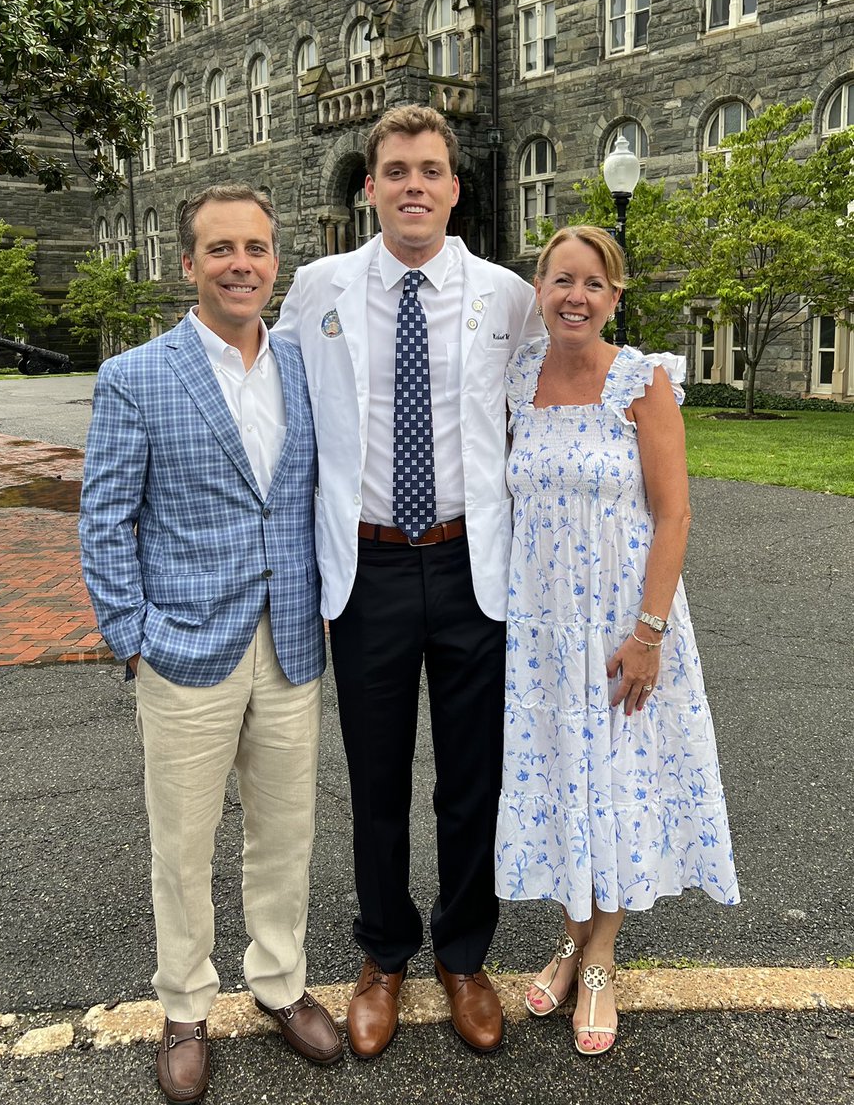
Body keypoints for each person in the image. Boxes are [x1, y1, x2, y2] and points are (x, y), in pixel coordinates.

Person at [273, 104, 543, 1057]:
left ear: (455, 187)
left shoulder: (508, 296)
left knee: (474, 779)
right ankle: (383, 953)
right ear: (373, 184)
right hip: (370, 564)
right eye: (396, 170)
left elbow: (551, 412)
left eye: (431, 169)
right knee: (377, 779)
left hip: (476, 566)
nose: (414, 185)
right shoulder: (318, 290)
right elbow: (280, 413)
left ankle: (463, 956)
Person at [79, 185, 342, 1104]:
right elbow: (105, 517)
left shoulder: (308, 366)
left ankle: (278, 982)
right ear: (188, 263)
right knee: (182, 846)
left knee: (285, 835)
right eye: (221, 248)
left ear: (278, 261)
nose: (242, 264)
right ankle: (185, 1007)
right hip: (183, 648)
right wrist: (134, 636)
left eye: (258, 248)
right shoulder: (136, 376)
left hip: (292, 645)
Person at [494, 225, 739, 1056]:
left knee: (617, 776)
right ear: (539, 288)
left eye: (594, 283)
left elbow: (675, 512)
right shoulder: (520, 376)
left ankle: (599, 956)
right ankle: (572, 933)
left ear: (615, 296)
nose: (576, 295)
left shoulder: (643, 381)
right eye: (562, 278)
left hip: (621, 626)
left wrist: (649, 633)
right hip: (540, 630)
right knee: (565, 776)